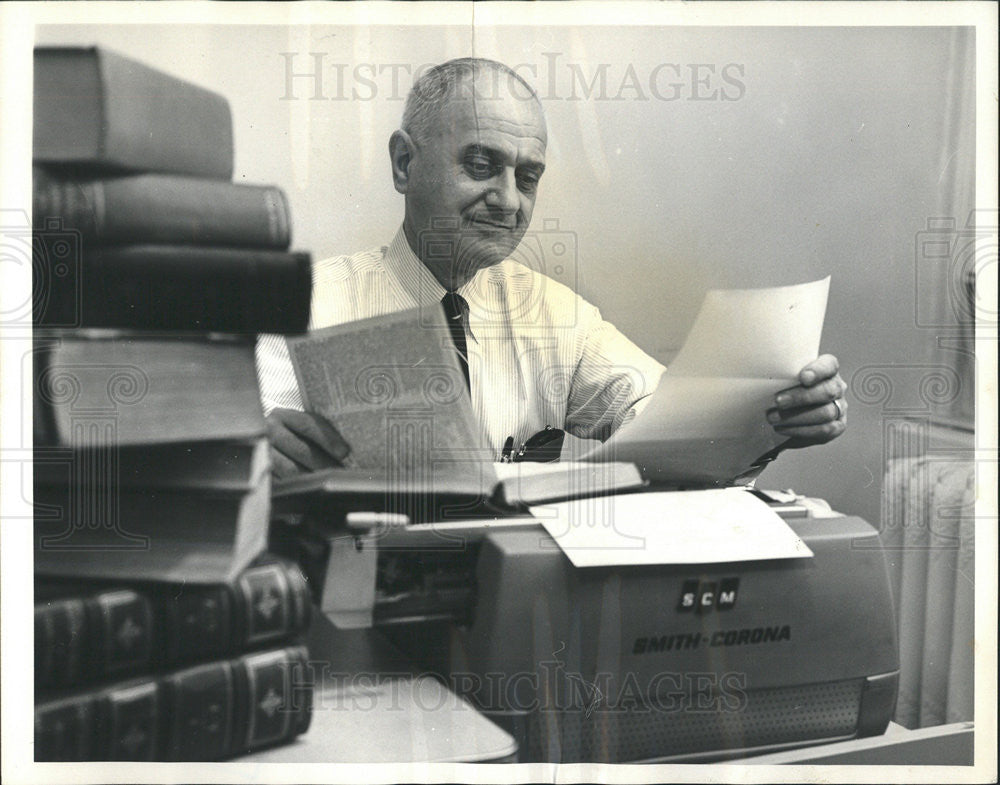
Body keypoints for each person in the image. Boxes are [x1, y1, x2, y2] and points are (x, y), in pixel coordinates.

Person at [258, 57, 847, 479]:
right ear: (405, 164)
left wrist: (775, 416)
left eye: (528, 177)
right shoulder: (301, 305)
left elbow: (666, 420)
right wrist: (253, 452)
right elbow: (235, 448)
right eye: (482, 164)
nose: (509, 201)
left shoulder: (557, 316)